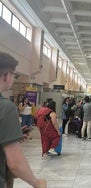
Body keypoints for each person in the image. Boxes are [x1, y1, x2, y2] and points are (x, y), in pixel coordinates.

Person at [0, 51, 47, 187]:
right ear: (6, 76)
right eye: (14, 75)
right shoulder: (5, 107)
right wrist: (37, 183)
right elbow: (15, 163)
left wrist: (11, 134)